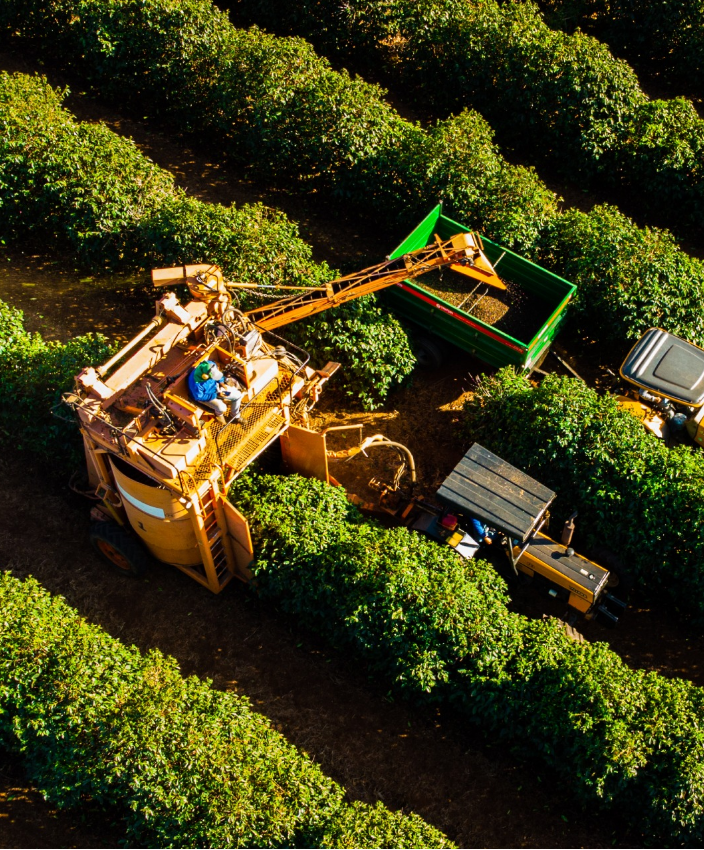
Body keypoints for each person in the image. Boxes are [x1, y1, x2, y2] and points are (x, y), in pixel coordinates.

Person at [188, 360, 242, 425]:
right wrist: (216, 395)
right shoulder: (196, 384)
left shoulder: (210, 364)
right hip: (206, 396)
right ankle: (218, 415)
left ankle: (234, 416)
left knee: (238, 395)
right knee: (222, 407)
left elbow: (219, 376)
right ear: (205, 377)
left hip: (216, 389)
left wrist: (222, 383)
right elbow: (199, 397)